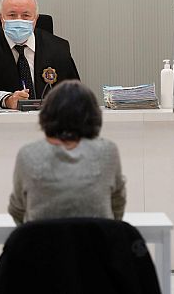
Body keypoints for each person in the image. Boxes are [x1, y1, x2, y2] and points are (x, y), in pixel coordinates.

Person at [7, 80, 126, 225]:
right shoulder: (108, 152)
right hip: (96, 244)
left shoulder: (28, 154)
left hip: (41, 245)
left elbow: (17, 210)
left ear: (46, 115)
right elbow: (117, 206)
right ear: (94, 116)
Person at [0, 0, 80, 109]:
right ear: (1, 18)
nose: (19, 20)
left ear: (36, 19)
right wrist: (6, 100)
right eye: (12, 15)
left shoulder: (58, 48)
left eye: (26, 16)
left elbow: (75, 92)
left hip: (49, 121)